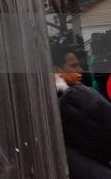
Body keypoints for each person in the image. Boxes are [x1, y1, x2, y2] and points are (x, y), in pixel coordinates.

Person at [52, 46, 111, 178]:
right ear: (57, 71)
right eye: (74, 66)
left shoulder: (75, 97)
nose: (80, 70)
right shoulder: (72, 100)